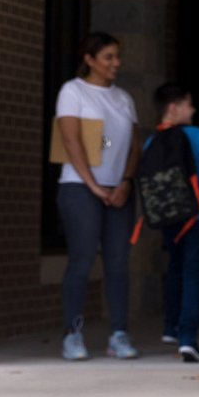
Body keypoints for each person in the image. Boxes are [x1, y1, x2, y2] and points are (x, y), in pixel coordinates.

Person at [54, 32, 142, 362]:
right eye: (108, 57)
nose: (116, 63)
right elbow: (72, 139)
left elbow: (128, 145)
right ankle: (72, 334)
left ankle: (119, 334)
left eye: (117, 56)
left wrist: (126, 181)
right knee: (82, 259)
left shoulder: (123, 98)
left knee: (118, 263)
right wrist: (93, 185)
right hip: (80, 189)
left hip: (119, 189)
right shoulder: (73, 91)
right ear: (89, 59)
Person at [146, 83, 199, 362]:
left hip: (169, 218)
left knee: (176, 267)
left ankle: (171, 327)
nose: (194, 109)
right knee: (194, 273)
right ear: (173, 108)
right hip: (197, 216)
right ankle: (188, 338)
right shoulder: (198, 135)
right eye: (189, 104)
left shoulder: (150, 141)